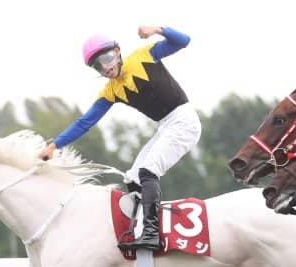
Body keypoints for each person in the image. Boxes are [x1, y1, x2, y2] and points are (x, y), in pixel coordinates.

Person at [40, 26, 201, 251]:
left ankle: (152, 235)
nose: (105, 67)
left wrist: (158, 29)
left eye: (106, 59)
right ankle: (141, 229)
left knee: (149, 170)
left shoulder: (143, 56)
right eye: (98, 65)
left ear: (117, 51)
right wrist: (54, 145)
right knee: (132, 177)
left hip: (184, 121)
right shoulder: (111, 90)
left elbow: (183, 40)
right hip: (165, 126)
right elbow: (85, 122)